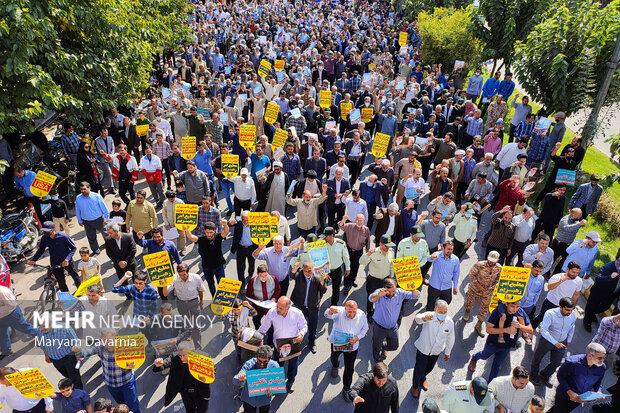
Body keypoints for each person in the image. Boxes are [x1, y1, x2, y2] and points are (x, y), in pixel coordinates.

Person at [75, 329, 141, 413]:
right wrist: (79, 351)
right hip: (111, 385)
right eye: (104, 340)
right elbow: (87, 351)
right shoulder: (100, 346)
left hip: (127, 383)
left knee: (133, 405)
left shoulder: (126, 345)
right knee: (121, 405)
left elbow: (137, 358)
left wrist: (134, 363)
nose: (106, 343)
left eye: (109, 340)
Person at [468, 300, 534, 382]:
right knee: (484, 356)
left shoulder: (520, 312)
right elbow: (489, 329)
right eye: (512, 306)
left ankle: (491, 385)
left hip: (507, 346)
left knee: (497, 366)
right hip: (493, 343)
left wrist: (520, 325)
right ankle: (474, 357)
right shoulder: (498, 312)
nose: (515, 309)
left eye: (517, 307)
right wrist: (506, 330)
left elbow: (530, 330)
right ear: (507, 304)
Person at [257, 296, 307, 393]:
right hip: (278, 346)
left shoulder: (297, 313)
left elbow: (304, 326)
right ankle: (277, 383)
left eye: (280, 308)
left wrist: (301, 333)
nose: (277, 309)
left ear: (288, 308)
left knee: (293, 366)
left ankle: (291, 381)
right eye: (277, 307)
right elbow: (263, 328)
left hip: (293, 345)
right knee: (278, 365)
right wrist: (256, 338)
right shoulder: (272, 312)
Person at [325, 300, 369, 402]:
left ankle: (346, 389)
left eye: (354, 311)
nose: (352, 314)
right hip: (338, 343)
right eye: (349, 312)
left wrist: (357, 338)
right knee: (334, 358)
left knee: (349, 368)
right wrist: (330, 311)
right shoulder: (339, 312)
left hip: (352, 347)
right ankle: (335, 365)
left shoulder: (362, 315)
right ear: (345, 309)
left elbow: (365, 329)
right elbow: (326, 314)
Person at [369, 277, 420, 362]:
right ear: (384, 288)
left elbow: (417, 295)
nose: (392, 293)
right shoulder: (379, 292)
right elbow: (371, 298)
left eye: (394, 291)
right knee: (376, 350)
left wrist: (413, 289)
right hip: (379, 327)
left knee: (394, 346)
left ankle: (381, 346)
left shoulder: (400, 292)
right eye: (390, 291)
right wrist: (378, 295)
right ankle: (378, 362)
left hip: (393, 327)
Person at [411, 299, 455, 398]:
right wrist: (423, 318)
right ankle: (415, 386)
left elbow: (451, 338)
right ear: (435, 310)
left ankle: (423, 378)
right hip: (423, 349)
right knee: (419, 369)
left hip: (436, 351)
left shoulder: (449, 322)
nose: (443, 314)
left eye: (445, 312)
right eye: (440, 312)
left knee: (429, 368)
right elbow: (417, 319)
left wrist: (447, 352)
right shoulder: (429, 316)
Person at [153, 341, 211, 413]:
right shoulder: (174, 357)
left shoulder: (204, 357)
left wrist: (205, 378)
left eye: (185, 355)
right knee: (189, 411)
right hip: (186, 393)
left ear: (192, 351)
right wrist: (158, 365)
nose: (182, 358)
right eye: (180, 355)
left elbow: (213, 371)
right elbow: (164, 364)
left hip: (201, 393)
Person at [548, 342, 607, 412]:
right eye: (600, 358)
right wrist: (569, 392)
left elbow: (598, 382)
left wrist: (598, 391)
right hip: (564, 396)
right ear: (589, 356)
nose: (602, 360)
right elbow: (560, 376)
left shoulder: (602, 367)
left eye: (604, 358)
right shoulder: (572, 363)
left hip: (579, 400)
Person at [530, 297, 576, 387]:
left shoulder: (572, 314)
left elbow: (572, 327)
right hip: (547, 341)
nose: (569, 312)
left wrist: (569, 340)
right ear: (560, 307)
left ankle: (545, 374)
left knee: (556, 362)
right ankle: (533, 374)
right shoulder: (550, 314)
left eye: (571, 310)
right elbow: (543, 330)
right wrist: (555, 342)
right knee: (538, 358)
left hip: (562, 341)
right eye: (567, 310)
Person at [28, 221, 81, 292]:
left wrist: (67, 259)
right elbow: (41, 250)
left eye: (47, 231)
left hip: (66, 261)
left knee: (74, 276)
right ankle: (67, 298)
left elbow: (73, 248)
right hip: (55, 262)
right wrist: (34, 259)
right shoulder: (44, 238)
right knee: (61, 282)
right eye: (43, 231)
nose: (45, 233)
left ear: (53, 230)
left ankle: (80, 291)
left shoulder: (63, 236)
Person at [162, 263, 205, 347]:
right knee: (187, 322)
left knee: (196, 327)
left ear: (188, 271)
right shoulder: (174, 278)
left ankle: (198, 347)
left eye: (184, 275)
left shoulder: (196, 278)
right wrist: (164, 284)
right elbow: (165, 293)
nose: (182, 277)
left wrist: (202, 302)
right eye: (180, 275)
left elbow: (200, 290)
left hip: (194, 303)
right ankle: (189, 333)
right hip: (181, 304)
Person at [532, 261, 583, 329]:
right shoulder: (557, 277)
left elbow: (576, 294)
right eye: (573, 272)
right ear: (567, 269)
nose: (575, 275)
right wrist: (560, 281)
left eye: (577, 273)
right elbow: (549, 287)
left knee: (555, 323)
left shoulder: (579, 281)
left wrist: (572, 307)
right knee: (540, 318)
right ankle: (530, 331)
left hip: (563, 307)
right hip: (551, 303)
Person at [289, 261, 327, 353]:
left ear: (313, 270)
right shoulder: (300, 275)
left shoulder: (317, 277)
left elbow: (323, 290)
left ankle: (312, 343)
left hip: (313, 306)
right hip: (300, 305)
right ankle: (295, 342)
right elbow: (292, 275)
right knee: (297, 325)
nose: (308, 273)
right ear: (303, 270)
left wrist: (323, 281)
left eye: (310, 271)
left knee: (313, 326)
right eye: (306, 271)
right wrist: (294, 268)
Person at [462, 251, 502, 336]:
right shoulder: (479, 265)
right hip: (475, 288)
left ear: (497, 260)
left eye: (493, 261)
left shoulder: (499, 268)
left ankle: (479, 324)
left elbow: (499, 277)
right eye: (490, 260)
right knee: (469, 301)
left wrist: (495, 285)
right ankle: (467, 311)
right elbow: (472, 275)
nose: (491, 262)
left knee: (484, 308)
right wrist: (478, 285)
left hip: (488, 292)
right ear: (487, 257)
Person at [136, 226, 182, 298]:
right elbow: (143, 243)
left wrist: (180, 265)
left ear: (162, 235)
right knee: (161, 288)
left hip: (168, 270)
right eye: (155, 237)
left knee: (171, 284)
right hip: (156, 272)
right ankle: (164, 300)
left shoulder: (170, 244)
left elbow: (176, 256)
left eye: (158, 237)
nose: (157, 239)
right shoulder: (150, 242)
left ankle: (174, 290)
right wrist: (140, 237)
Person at [233, 345, 280, 413]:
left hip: (264, 400)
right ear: (256, 357)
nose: (261, 364)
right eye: (259, 360)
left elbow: (278, 384)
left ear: (270, 358)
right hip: (249, 399)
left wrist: (272, 390)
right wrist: (240, 377)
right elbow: (235, 380)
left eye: (265, 362)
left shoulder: (274, 366)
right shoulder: (249, 364)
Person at [0, 284, 40, 359]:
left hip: (11, 314)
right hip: (2, 317)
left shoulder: (2, 291)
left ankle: (41, 335)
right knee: (2, 334)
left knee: (25, 327)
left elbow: (11, 305)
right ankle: (6, 351)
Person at [361, 235, 396, 318]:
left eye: (389, 245)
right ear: (380, 244)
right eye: (385, 245)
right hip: (373, 280)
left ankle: (379, 312)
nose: (388, 247)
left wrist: (391, 276)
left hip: (385, 279)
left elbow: (391, 265)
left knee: (384, 297)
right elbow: (361, 262)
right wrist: (367, 254)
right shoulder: (374, 253)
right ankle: (370, 313)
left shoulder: (391, 252)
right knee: (371, 297)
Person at [583, 257, 620, 332]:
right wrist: (610, 277)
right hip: (599, 292)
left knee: (604, 307)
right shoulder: (608, 267)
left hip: (611, 294)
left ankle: (592, 313)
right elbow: (598, 278)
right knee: (591, 306)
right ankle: (587, 322)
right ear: (617, 263)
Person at [104, 222, 138, 299]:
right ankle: (128, 297)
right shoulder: (108, 240)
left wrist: (126, 261)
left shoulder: (128, 236)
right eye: (108, 233)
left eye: (111, 233)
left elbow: (133, 250)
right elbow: (109, 253)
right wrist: (118, 262)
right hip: (119, 266)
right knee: (124, 284)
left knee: (136, 281)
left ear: (116, 231)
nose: (109, 235)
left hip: (131, 264)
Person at [339, 213, 371, 291]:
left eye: (361, 220)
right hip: (349, 251)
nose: (359, 222)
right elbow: (341, 226)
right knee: (347, 267)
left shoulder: (366, 230)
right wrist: (343, 220)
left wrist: (367, 253)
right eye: (357, 220)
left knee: (355, 267)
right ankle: (346, 285)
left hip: (359, 252)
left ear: (364, 221)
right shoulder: (350, 226)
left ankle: (352, 280)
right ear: (355, 220)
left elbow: (368, 242)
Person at [75, 181, 109, 255]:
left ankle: (110, 245)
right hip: (86, 222)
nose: (83, 191)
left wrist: (107, 219)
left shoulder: (97, 196)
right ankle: (95, 249)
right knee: (91, 237)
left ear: (89, 188)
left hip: (99, 220)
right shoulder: (78, 198)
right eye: (81, 189)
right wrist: (79, 220)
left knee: (106, 234)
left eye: (84, 189)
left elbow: (105, 209)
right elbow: (77, 210)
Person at [426, 241, 460, 311]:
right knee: (430, 306)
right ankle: (428, 320)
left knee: (445, 305)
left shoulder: (455, 260)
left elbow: (456, 273)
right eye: (448, 249)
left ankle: (439, 319)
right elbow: (428, 258)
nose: (449, 251)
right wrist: (431, 257)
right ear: (443, 248)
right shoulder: (437, 255)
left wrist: (455, 286)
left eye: (451, 249)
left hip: (446, 287)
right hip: (434, 286)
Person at [323, 227, 351, 305]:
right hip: (326, 270)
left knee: (336, 288)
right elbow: (318, 260)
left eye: (326, 236)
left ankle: (334, 304)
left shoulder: (341, 243)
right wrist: (323, 272)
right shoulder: (321, 244)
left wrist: (347, 268)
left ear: (332, 235)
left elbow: (345, 256)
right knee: (321, 287)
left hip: (337, 270)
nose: (324, 237)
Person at [230, 211, 256, 292]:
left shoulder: (255, 225)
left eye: (247, 220)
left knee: (251, 264)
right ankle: (241, 284)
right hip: (241, 248)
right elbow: (229, 224)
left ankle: (250, 275)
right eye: (243, 219)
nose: (245, 222)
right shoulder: (238, 224)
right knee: (240, 267)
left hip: (252, 248)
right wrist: (229, 223)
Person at [162, 190, 186, 254]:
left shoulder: (180, 202)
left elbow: (185, 214)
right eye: (170, 199)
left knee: (182, 236)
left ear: (175, 196)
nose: (171, 200)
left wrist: (182, 223)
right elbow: (164, 214)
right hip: (170, 224)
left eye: (172, 199)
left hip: (180, 223)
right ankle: (174, 251)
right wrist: (167, 224)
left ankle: (183, 249)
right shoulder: (165, 203)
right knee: (172, 238)